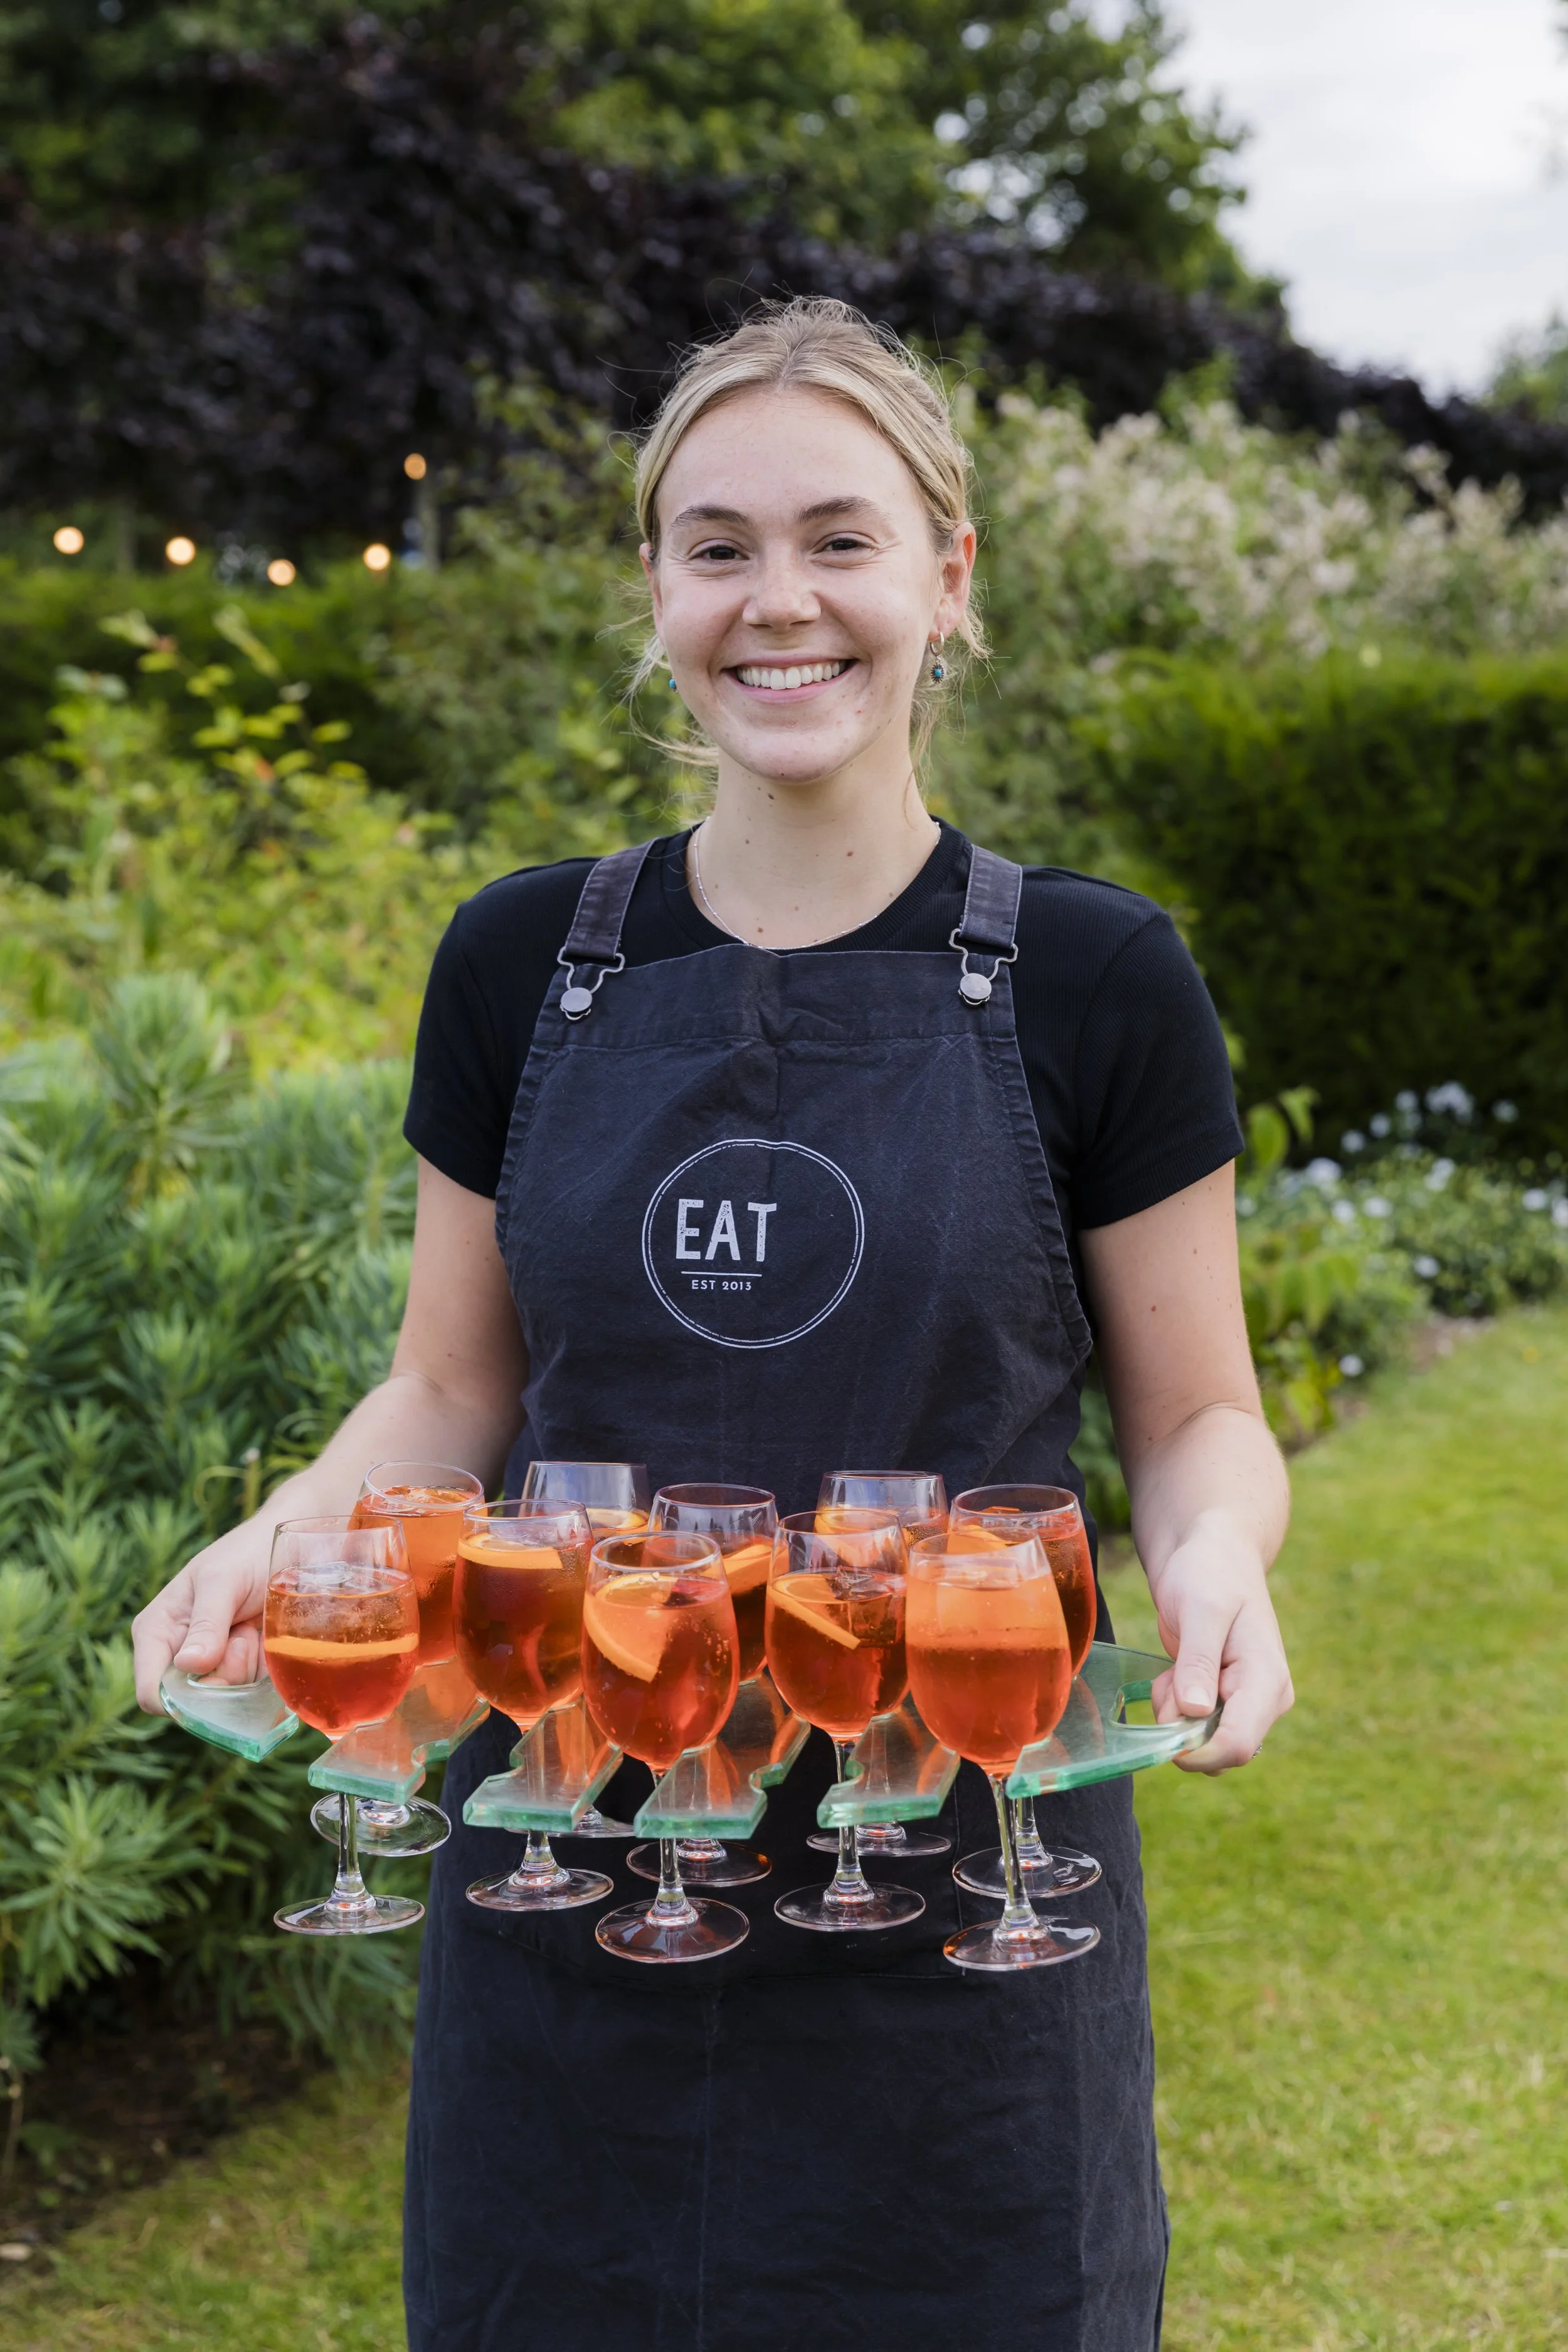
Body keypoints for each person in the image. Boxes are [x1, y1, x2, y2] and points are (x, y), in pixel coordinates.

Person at [134, 297, 1293, 2350]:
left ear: (947, 578)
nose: (781, 602)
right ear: (653, 589)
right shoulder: (520, 960)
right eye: (718, 544)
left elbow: (1195, 1408)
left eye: (839, 538)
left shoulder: (1096, 981)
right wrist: (285, 1533)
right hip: (570, 1862)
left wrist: (1216, 1567)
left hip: (967, 1879)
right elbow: (448, 1383)